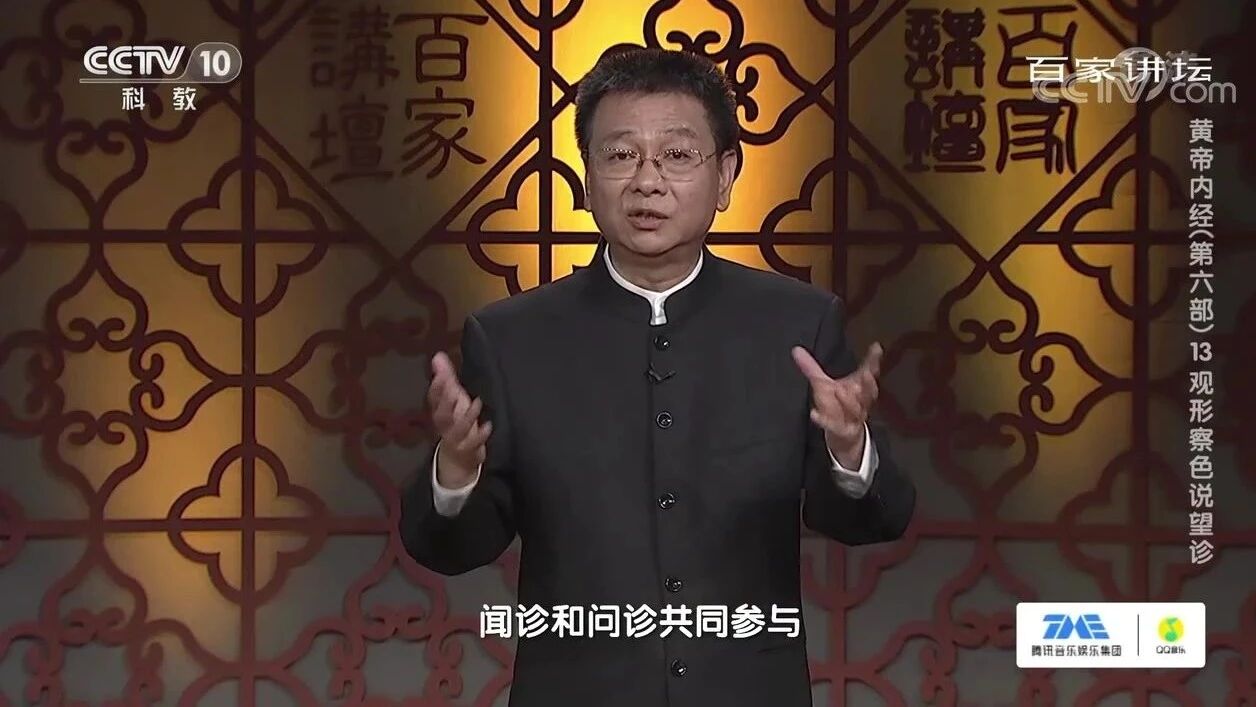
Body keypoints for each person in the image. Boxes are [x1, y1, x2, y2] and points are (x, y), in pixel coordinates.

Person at [399, 46, 916, 707]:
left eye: (676, 155)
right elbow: (451, 549)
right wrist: (456, 471)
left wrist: (849, 450)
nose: (647, 181)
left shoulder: (798, 326)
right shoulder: (510, 339)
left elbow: (873, 521)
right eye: (620, 155)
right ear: (587, 178)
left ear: (725, 175)